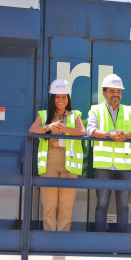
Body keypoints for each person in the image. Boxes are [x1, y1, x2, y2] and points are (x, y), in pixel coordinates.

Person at [87, 74, 131, 233]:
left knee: (124, 205)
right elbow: (90, 130)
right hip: (103, 165)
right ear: (104, 93)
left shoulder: (129, 111)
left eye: (118, 91)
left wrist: (126, 135)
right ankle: (100, 241)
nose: (116, 94)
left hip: (124, 165)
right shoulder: (96, 109)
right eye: (112, 91)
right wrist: (108, 135)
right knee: (102, 203)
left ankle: (122, 241)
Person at [28, 79, 85, 231]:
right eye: (57, 97)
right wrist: (48, 127)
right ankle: (49, 238)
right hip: (50, 160)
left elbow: (82, 132)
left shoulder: (75, 114)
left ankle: (62, 238)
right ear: (52, 98)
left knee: (66, 204)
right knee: (49, 203)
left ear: (68, 99)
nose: (61, 100)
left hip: (69, 162)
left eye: (64, 97)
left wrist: (66, 129)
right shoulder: (44, 114)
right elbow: (32, 130)